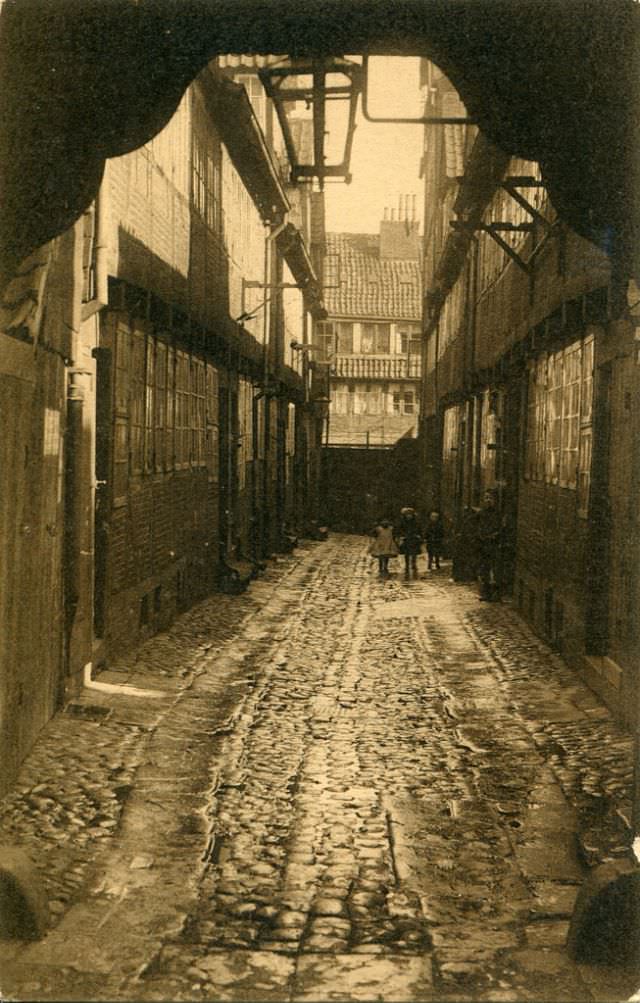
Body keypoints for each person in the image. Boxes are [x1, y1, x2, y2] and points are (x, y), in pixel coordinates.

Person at [476, 490, 503, 601]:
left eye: (490, 498)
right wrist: (480, 536)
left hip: (494, 545)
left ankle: (496, 595)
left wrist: (495, 535)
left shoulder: (498, 514)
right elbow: (477, 527)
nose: (488, 500)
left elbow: (501, 528)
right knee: (484, 570)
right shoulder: (481, 513)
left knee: (496, 570)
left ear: (495, 500)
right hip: (483, 545)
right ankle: (486, 594)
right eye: (486, 498)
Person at [397, 506, 423, 579]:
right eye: (407, 515)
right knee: (406, 553)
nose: (409, 516)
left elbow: (419, 529)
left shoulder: (416, 522)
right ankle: (407, 565)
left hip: (413, 539)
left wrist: (419, 536)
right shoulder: (403, 522)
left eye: (410, 514)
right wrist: (402, 536)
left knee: (414, 553)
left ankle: (414, 564)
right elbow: (400, 530)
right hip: (406, 539)